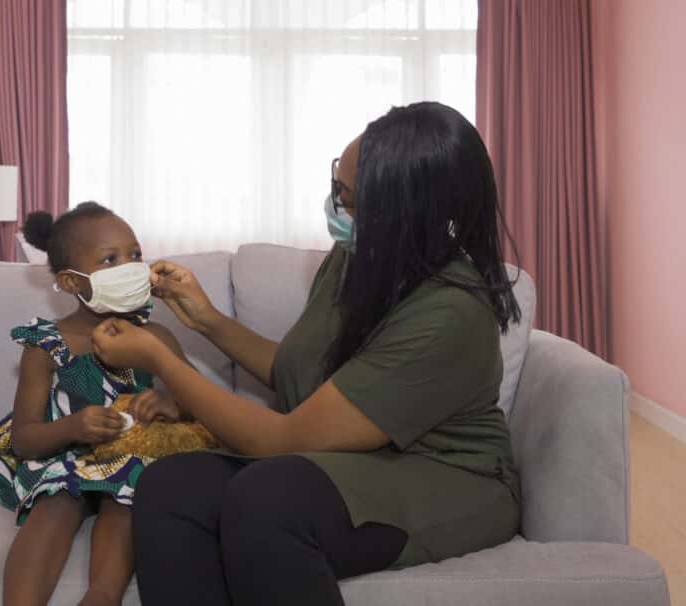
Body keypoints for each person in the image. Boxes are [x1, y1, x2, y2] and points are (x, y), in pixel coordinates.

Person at [90, 102, 523, 606]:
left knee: (268, 500)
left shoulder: (449, 314)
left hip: (445, 476)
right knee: (170, 485)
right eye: (336, 182)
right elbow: (293, 374)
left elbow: (282, 439)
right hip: (359, 455)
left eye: (347, 195)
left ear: (400, 213)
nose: (334, 205)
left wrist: (160, 359)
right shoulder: (356, 259)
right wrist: (205, 318)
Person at [0, 202, 191, 606]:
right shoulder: (46, 346)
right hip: (62, 452)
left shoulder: (156, 336)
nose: (131, 267)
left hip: (133, 453)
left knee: (128, 496)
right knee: (57, 500)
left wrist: (172, 405)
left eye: (135, 255)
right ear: (70, 283)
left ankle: (101, 597)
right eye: (110, 260)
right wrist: (73, 427)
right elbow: (25, 440)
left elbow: (202, 405)